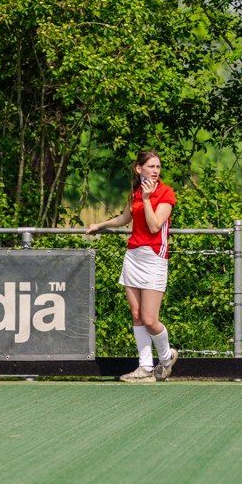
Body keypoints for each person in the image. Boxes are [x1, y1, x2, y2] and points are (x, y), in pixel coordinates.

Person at [85, 151, 179, 383]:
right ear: (139, 169)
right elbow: (126, 218)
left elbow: (155, 226)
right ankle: (145, 367)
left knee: (150, 319)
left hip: (154, 257)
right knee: (136, 315)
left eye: (158, 167)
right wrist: (99, 225)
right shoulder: (136, 192)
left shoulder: (165, 193)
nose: (155, 171)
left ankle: (166, 357)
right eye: (151, 166)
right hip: (133, 256)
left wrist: (147, 199)